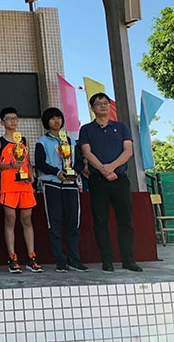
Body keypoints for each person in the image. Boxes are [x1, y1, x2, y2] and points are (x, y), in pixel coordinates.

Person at [78, 92, 143, 273]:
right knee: (100, 221)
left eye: (106, 103)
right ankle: (107, 261)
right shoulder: (86, 129)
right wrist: (103, 170)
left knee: (125, 221)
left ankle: (128, 260)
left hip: (119, 180)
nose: (103, 106)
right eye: (99, 103)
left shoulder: (121, 127)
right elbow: (87, 152)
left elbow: (128, 151)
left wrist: (111, 168)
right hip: (98, 181)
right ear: (92, 108)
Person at [35, 107, 89, 273]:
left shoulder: (71, 141)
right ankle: (60, 260)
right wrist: (57, 172)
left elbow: (79, 161)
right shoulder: (42, 142)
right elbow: (40, 163)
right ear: (47, 122)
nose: (56, 121)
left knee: (73, 223)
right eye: (52, 118)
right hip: (52, 185)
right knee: (55, 223)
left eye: (58, 117)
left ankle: (75, 259)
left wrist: (75, 172)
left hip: (71, 186)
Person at [0, 107, 43, 274]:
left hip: (24, 185)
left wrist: (31, 175)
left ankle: (31, 257)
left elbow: (27, 161)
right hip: (9, 184)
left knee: (27, 219)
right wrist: (10, 165)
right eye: (9, 118)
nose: (13, 121)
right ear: (2, 122)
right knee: (10, 219)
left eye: (15, 118)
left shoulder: (23, 140)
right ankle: (12, 257)